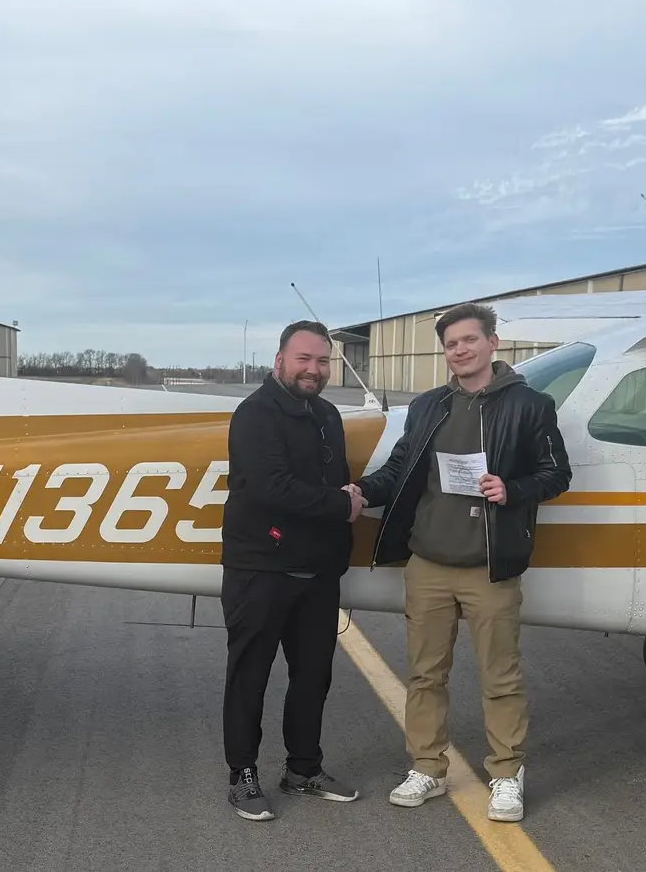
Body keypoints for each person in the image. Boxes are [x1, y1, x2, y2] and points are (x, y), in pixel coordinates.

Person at [346, 301, 570, 823]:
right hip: (428, 564)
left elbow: (556, 473)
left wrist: (511, 489)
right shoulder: (428, 406)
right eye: (451, 344)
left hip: (490, 566)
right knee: (425, 675)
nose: (460, 351)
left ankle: (507, 775)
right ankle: (427, 767)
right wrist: (361, 492)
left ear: (493, 343)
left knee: (501, 677)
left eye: (470, 340)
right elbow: (401, 469)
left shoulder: (531, 406)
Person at [218, 319, 366, 822]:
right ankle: (242, 774)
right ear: (279, 360)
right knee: (249, 677)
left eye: (323, 361)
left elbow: (334, 482)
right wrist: (341, 505)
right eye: (304, 358)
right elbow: (269, 487)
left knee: (312, 678)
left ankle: (303, 768)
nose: (314, 369)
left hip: (316, 575)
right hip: (260, 570)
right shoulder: (255, 414)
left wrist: (345, 504)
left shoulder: (327, 414)